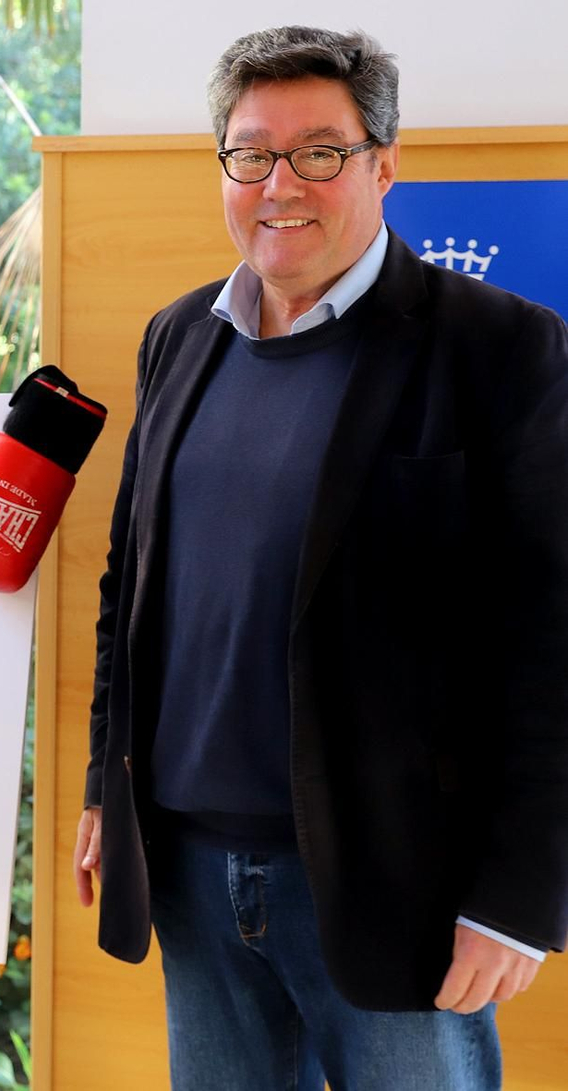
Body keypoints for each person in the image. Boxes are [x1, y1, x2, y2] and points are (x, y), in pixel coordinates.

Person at [71, 26, 568, 1091]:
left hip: (397, 877)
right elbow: (130, 586)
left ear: (383, 165)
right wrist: (106, 788)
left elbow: (549, 638)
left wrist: (518, 898)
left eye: (319, 152)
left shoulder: (498, 347)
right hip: (189, 870)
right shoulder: (178, 337)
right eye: (251, 153)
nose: (280, 183)